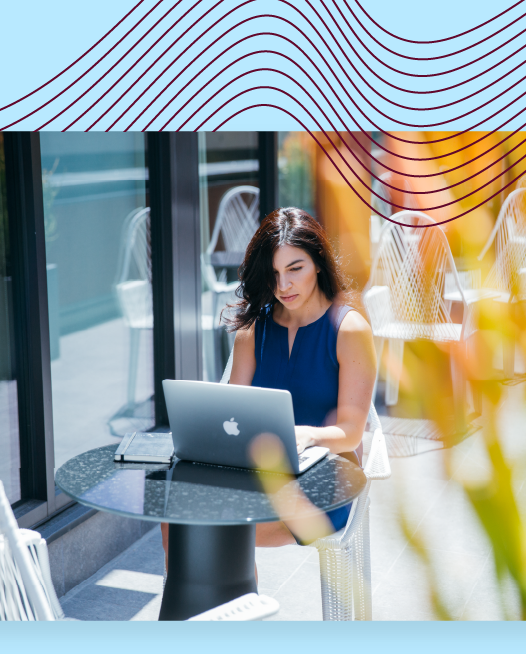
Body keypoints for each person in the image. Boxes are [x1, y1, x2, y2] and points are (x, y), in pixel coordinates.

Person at [160, 207, 377, 566]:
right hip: (256, 474)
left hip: (325, 481)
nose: (283, 286)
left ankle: (230, 615)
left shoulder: (349, 330)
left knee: (214, 526)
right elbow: (230, 418)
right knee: (177, 516)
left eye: (295, 269)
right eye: (274, 273)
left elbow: (351, 433)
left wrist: (305, 436)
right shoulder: (253, 331)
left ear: (318, 263)